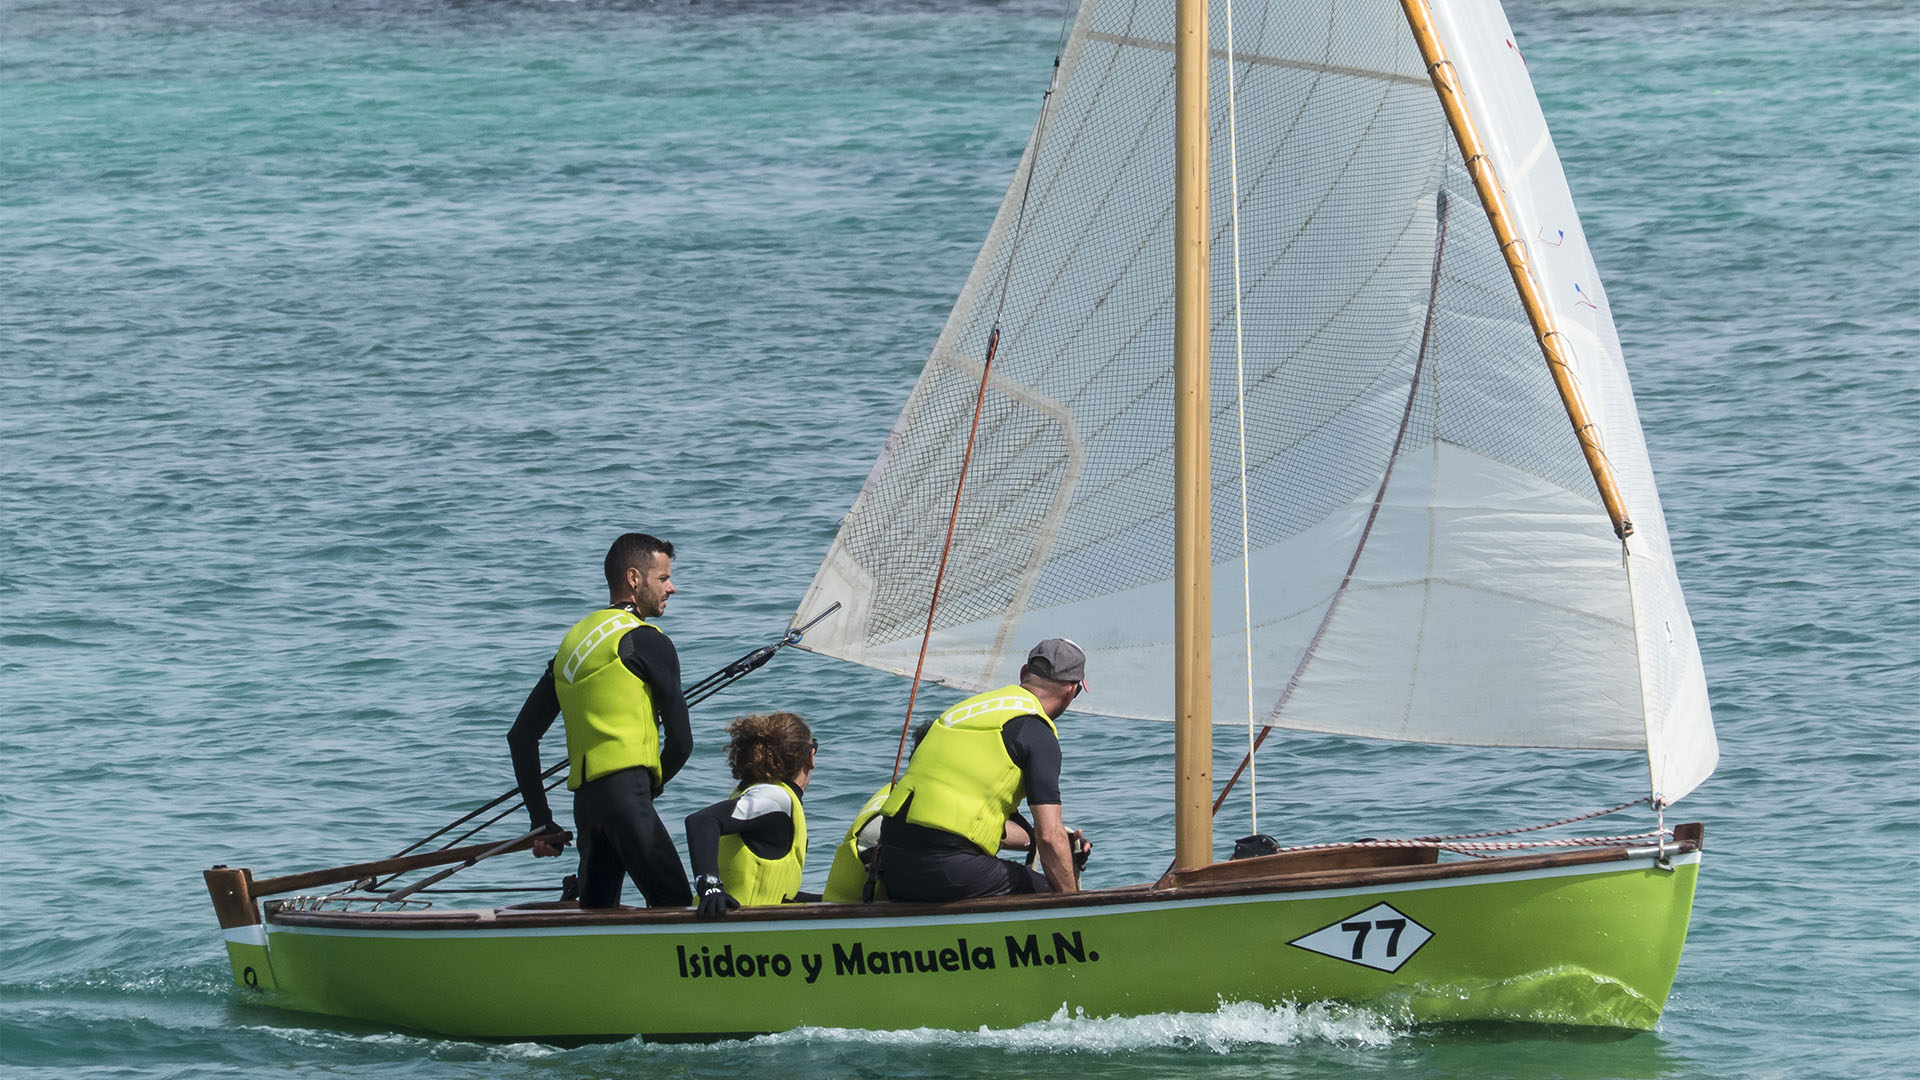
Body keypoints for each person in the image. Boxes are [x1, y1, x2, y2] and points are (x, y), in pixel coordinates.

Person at [506, 533, 694, 909]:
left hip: (587, 808)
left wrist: (542, 821)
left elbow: (522, 736)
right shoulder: (647, 640)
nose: (672, 587)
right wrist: (647, 790)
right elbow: (681, 743)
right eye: (663, 578)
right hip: (627, 798)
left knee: (597, 914)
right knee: (676, 906)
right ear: (634, 579)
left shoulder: (572, 644)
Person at [876, 638, 1092, 901]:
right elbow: (1048, 836)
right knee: (1052, 892)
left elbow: (956, 817)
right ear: (1071, 690)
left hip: (889, 867)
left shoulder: (960, 712)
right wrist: (1075, 906)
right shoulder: (1036, 731)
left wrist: (1049, 842)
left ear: (1023, 674)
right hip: (947, 872)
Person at [683, 712, 817, 918]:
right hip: (725, 932)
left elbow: (775, 893)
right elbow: (702, 821)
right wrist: (711, 886)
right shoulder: (773, 797)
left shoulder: (767, 798)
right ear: (810, 756)